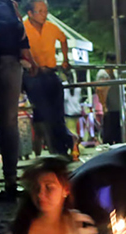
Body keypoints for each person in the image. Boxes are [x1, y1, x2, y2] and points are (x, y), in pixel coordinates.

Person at [0, 0, 36, 199]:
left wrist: (25, 49)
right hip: (9, 58)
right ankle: (10, 179)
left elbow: (18, 25)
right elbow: (18, 26)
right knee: (8, 120)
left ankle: (6, 180)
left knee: (8, 120)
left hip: (6, 58)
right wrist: (26, 51)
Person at [22, 0, 77, 158]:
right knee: (46, 111)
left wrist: (65, 59)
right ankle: (62, 145)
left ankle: (62, 147)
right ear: (30, 14)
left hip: (51, 72)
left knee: (58, 111)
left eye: (45, 11)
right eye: (40, 11)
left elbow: (63, 39)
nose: (44, 14)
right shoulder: (23, 28)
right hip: (33, 74)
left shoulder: (51, 27)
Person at [96, 54, 122, 145]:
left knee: (117, 132)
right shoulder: (103, 74)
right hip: (109, 107)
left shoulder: (114, 73)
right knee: (108, 132)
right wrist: (104, 105)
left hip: (116, 107)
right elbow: (100, 90)